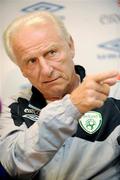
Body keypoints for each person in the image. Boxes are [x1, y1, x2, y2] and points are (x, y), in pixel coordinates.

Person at [0, 11, 120, 180]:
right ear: (22, 69)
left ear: (70, 46)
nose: (46, 70)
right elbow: (13, 165)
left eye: (51, 52)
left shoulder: (114, 95)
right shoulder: (14, 107)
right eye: (31, 61)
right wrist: (71, 107)